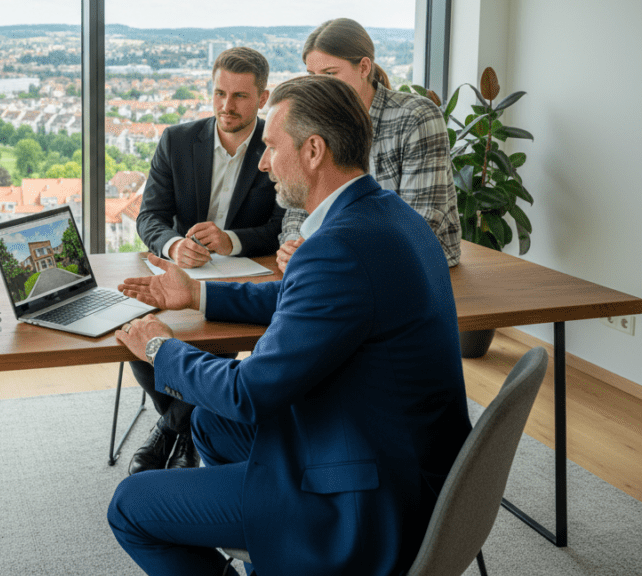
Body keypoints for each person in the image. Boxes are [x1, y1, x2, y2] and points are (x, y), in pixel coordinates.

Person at [108, 74, 471, 576]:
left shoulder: (337, 249)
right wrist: (195, 293)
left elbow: (249, 393)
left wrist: (159, 350)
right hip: (396, 452)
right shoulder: (388, 216)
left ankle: (284, 529)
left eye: (272, 147)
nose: (261, 161)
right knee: (209, 423)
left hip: (361, 497)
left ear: (314, 151)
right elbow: (297, 298)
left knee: (130, 506)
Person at [129, 46, 284, 476]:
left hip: (247, 279)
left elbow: (280, 224)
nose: (225, 106)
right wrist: (175, 245)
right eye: (219, 93)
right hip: (181, 271)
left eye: (238, 97)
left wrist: (231, 239)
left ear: (262, 98)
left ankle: (171, 429)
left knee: (217, 339)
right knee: (136, 336)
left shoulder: (276, 145)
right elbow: (150, 217)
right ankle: (186, 430)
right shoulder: (177, 140)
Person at [276, 17, 461, 274]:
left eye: (330, 74)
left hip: (419, 268)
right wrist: (294, 245)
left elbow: (422, 222)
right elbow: (300, 204)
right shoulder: (320, 121)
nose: (320, 86)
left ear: (364, 67)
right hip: (339, 262)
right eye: (312, 76)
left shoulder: (416, 116)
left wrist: (328, 252)